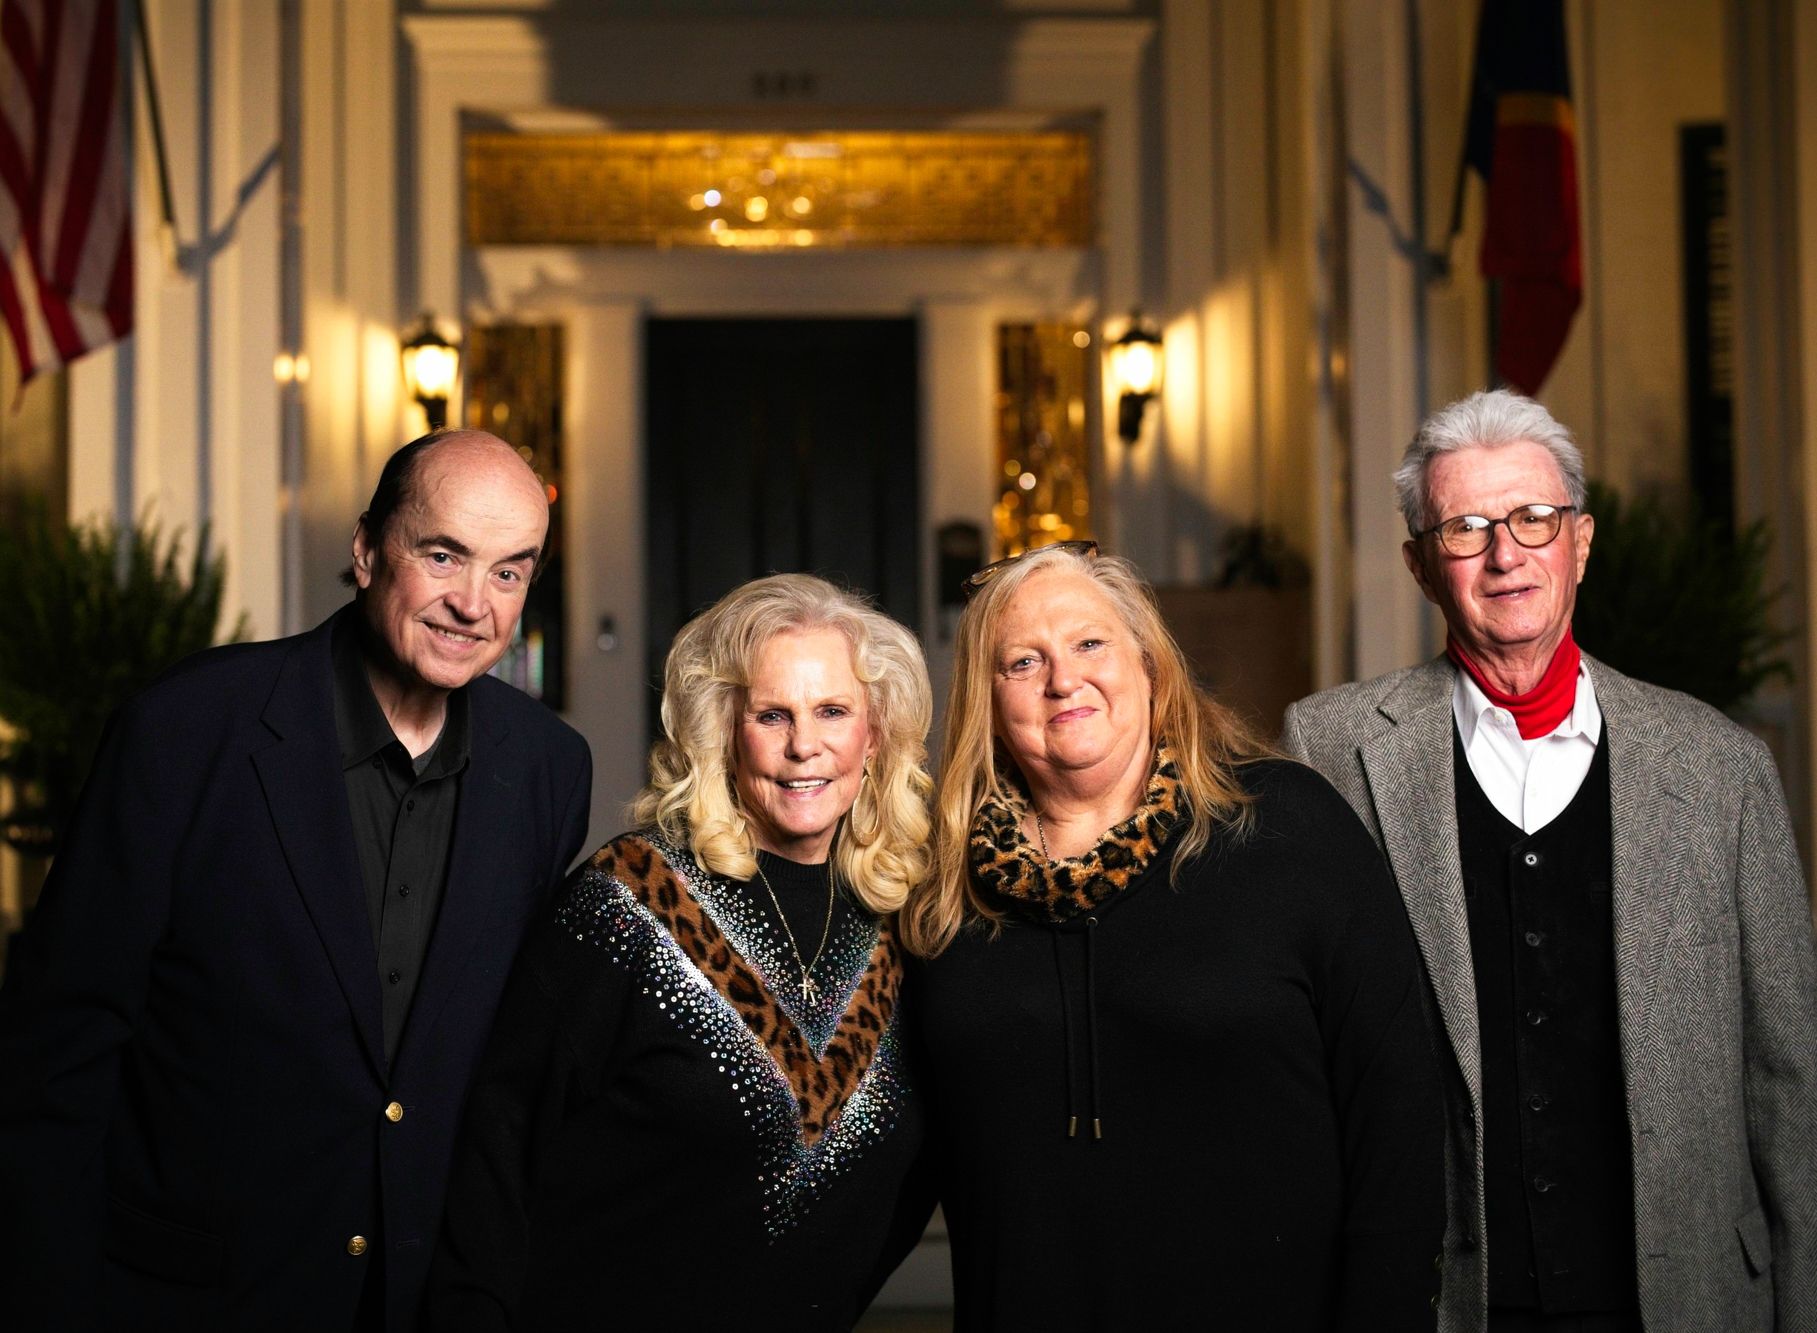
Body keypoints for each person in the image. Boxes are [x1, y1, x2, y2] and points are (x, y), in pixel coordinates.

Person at [0, 430, 593, 1332]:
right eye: (444, 556)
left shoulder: (550, 767)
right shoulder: (185, 729)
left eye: (510, 572)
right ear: (365, 550)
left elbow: (503, 1076)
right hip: (190, 1301)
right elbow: (57, 1056)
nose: (475, 603)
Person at [1282, 389, 1817, 1332]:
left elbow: (1790, 1080)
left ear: (1579, 540)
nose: (1505, 552)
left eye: (1534, 518)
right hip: (1446, 1299)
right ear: (1418, 563)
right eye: (1466, 527)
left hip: (1683, 1296)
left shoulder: (1720, 764)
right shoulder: (1328, 750)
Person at [901, 541, 1445, 1331]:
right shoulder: (940, 885)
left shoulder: (1286, 825)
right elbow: (891, 1151)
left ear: (1151, 664)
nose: (1062, 678)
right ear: (984, 700)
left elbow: (1394, 1108)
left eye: (1090, 642)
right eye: (1022, 661)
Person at [424, 573, 934, 1331]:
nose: (804, 745)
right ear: (721, 729)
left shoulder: (909, 914)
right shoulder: (625, 900)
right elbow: (497, 1143)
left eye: (832, 710)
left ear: (877, 732)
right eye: (771, 714)